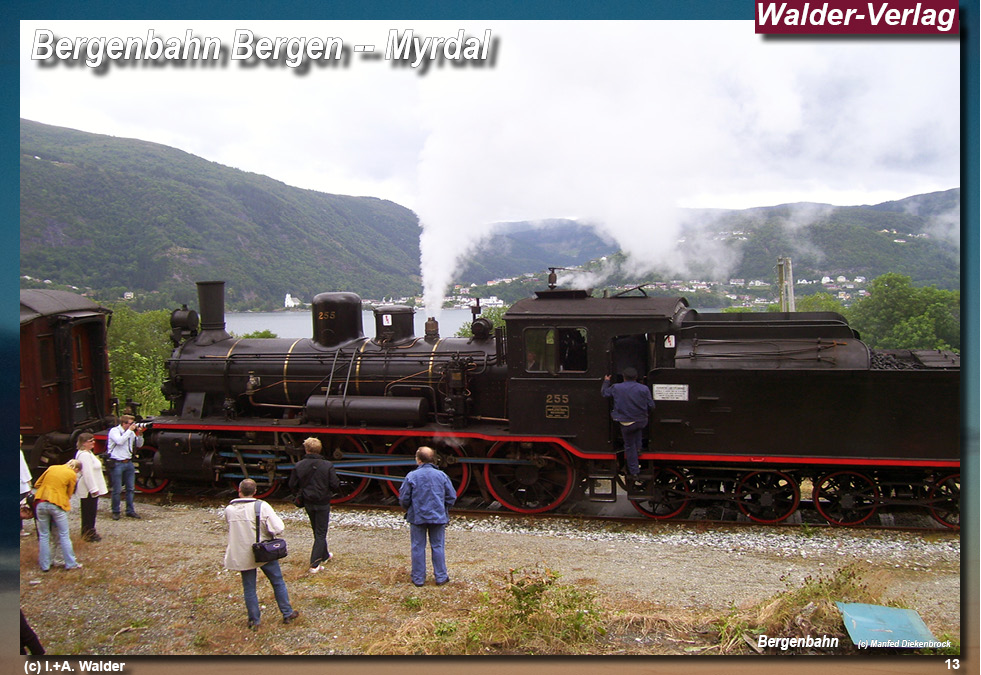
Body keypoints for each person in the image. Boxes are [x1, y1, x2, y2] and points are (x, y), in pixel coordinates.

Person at [223, 479, 299, 630]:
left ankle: (254, 621)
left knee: (249, 587)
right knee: (277, 581)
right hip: (263, 552)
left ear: (239, 491)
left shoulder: (229, 509)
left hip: (243, 553)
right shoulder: (262, 506)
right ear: (255, 491)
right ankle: (287, 613)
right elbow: (278, 528)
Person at [398, 446, 456, 587]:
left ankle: (418, 578)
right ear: (433, 459)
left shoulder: (411, 476)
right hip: (438, 516)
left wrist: (410, 508)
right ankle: (441, 577)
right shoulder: (442, 475)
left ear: (418, 460)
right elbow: (452, 496)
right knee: (438, 545)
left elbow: (404, 498)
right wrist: (443, 508)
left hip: (417, 516)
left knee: (417, 546)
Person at [289, 437, 340, 574]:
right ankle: (314, 564)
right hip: (323, 501)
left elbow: (292, 485)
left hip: (308, 502)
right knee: (321, 532)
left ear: (306, 449)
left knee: (317, 529)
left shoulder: (299, 465)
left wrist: (301, 493)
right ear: (320, 449)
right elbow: (335, 484)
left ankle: (325, 555)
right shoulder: (327, 465)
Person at [601, 367, 655, 479]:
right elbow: (651, 406)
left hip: (627, 422)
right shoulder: (644, 389)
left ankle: (634, 471)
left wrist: (606, 381)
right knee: (637, 430)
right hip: (641, 420)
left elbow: (604, 393)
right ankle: (639, 449)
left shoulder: (616, 387)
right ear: (636, 377)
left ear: (624, 377)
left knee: (629, 446)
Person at [33, 459, 83, 571]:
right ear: (76, 469)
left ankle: (45, 565)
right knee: (64, 534)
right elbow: (70, 493)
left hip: (41, 503)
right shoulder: (71, 474)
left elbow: (37, 484)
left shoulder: (52, 467)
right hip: (57, 504)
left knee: (44, 535)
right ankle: (70, 563)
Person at [106, 414, 144, 520]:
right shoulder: (114, 431)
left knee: (130, 488)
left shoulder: (130, 433)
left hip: (128, 463)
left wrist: (140, 434)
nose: (132, 425)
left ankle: (130, 510)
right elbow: (119, 441)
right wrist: (130, 431)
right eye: (130, 423)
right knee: (117, 489)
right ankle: (116, 511)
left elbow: (139, 445)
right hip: (117, 462)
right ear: (124, 423)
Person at [74, 433, 108, 541]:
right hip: (88, 488)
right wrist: (93, 489)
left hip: (90, 487)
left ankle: (90, 531)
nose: (93, 442)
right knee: (88, 511)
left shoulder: (88, 453)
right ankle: (88, 533)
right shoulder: (84, 455)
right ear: (84, 443)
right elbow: (87, 473)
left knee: (91, 511)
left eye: (93, 440)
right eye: (90, 441)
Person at [20, 441, 33, 537]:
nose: (21, 441)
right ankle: (20, 529)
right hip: (20, 484)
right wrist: (28, 481)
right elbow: (23, 468)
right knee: (20, 507)